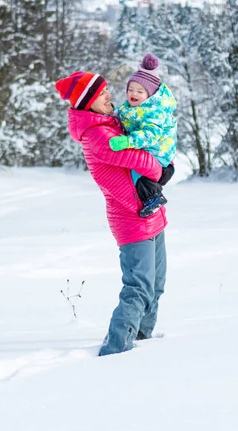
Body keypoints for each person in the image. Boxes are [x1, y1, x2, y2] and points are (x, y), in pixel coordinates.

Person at [55, 70, 174, 356]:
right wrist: (161, 170)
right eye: (102, 92)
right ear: (89, 101)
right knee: (138, 288)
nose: (110, 94)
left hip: (150, 213)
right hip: (132, 219)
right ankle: (117, 349)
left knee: (155, 286)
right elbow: (139, 158)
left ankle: (143, 340)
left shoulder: (113, 122)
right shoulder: (97, 134)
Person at [109, 53, 177, 217]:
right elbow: (121, 113)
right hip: (150, 151)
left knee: (136, 172)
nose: (134, 94)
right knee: (133, 171)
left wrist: (127, 141)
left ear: (150, 96)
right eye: (130, 89)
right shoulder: (131, 108)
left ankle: (153, 197)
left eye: (140, 91)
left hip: (159, 152)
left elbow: (149, 135)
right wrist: (109, 114)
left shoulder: (155, 112)